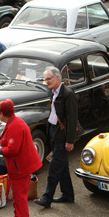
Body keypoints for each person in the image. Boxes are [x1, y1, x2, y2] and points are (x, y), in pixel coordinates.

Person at [0, 99, 42, 217]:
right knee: (17, 193)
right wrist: (0, 148)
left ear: (2, 113)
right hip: (18, 166)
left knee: (20, 196)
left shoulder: (14, 126)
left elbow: (13, 150)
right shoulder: (13, 122)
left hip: (20, 167)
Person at [34, 66, 78, 208]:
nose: (46, 81)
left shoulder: (67, 94)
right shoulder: (53, 92)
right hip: (53, 131)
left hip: (61, 134)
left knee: (54, 166)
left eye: (49, 78)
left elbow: (72, 119)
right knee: (62, 165)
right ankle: (68, 194)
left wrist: (70, 140)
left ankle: (47, 198)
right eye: (45, 79)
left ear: (57, 77)